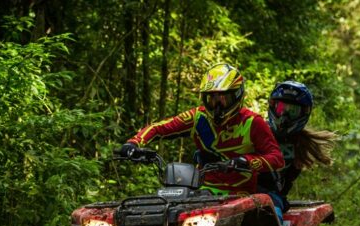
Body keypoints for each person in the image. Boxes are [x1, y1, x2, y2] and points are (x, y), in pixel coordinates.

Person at [119, 63, 284, 195]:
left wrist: (247, 162)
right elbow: (159, 128)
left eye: (223, 98)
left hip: (239, 194)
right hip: (201, 190)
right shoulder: (198, 117)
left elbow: (277, 158)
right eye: (211, 98)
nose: (217, 105)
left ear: (236, 95)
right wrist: (133, 144)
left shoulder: (252, 122)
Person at [258, 81, 337, 219]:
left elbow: (286, 182)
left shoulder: (300, 144)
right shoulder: (256, 131)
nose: (284, 116)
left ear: (303, 113)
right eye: (281, 108)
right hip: (241, 191)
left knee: (272, 215)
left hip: (271, 199)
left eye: (292, 111)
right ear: (272, 106)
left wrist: (279, 197)